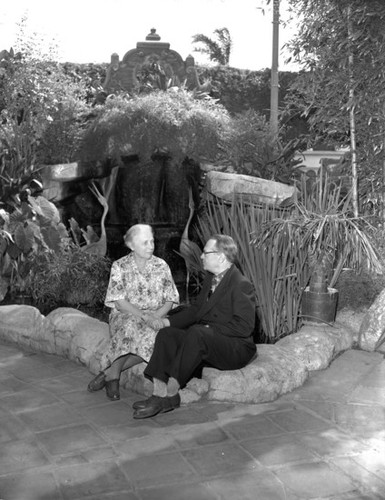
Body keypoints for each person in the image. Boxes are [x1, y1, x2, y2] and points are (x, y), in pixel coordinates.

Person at [132, 234, 256, 419]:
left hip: (235, 347)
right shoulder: (211, 278)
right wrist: (167, 322)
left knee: (198, 332)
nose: (202, 256)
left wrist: (208, 329)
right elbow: (197, 310)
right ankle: (158, 394)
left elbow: (244, 327)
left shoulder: (241, 284)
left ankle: (172, 393)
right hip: (208, 340)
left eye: (206, 253)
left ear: (221, 257)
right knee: (167, 335)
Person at [87, 224, 179, 401]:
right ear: (131, 246)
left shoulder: (162, 265)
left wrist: (157, 316)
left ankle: (110, 373)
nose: (151, 246)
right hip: (126, 314)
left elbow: (171, 299)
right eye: (145, 243)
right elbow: (120, 302)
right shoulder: (119, 266)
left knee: (154, 335)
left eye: (152, 241)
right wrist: (144, 316)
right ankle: (113, 375)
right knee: (131, 327)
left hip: (156, 314)